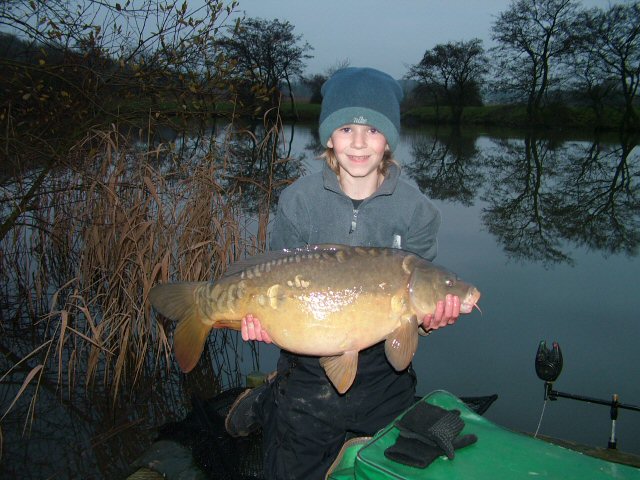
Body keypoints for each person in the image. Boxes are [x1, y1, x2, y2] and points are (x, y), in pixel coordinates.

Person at [226, 67, 461, 480]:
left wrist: (427, 321)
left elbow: (408, 332)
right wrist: (258, 318)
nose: (358, 142)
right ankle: (270, 400)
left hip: (385, 378)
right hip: (306, 368)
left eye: (372, 130)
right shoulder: (298, 201)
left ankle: (272, 402)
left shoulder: (418, 211)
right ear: (329, 136)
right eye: (347, 127)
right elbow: (271, 276)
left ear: (388, 139)